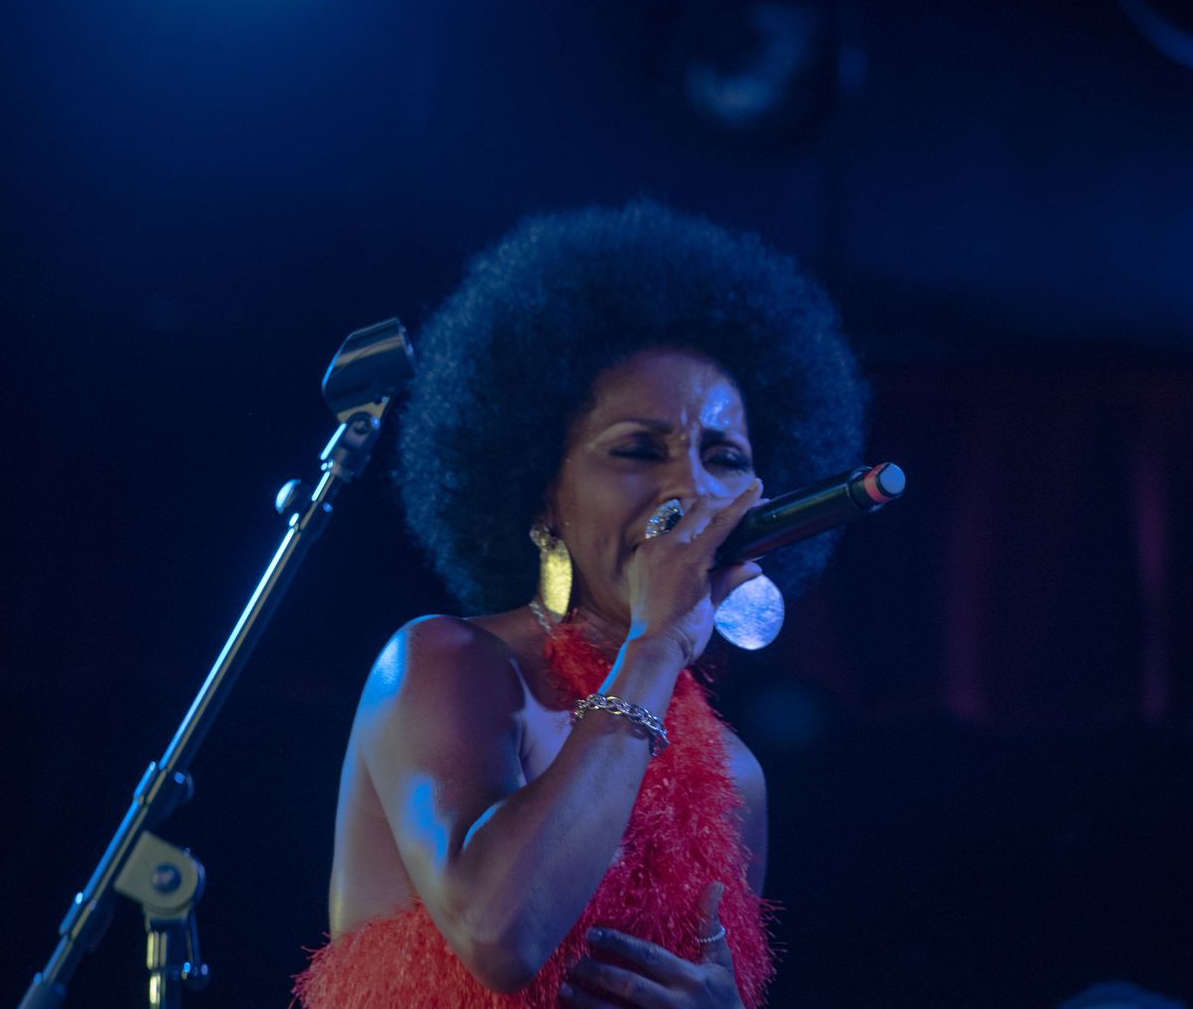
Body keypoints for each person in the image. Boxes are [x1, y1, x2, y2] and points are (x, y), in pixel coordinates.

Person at [295, 201, 867, 1007]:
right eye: (638, 450)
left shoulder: (735, 778)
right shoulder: (441, 665)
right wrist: (655, 646)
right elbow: (500, 933)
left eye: (725, 457)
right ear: (542, 496)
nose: (692, 488)